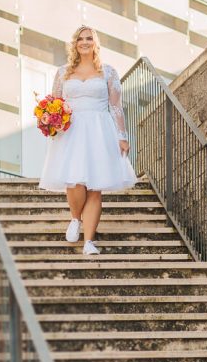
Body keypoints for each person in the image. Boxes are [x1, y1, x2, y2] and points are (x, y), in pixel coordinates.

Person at [39, 25, 137, 255]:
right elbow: (55, 102)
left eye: (89, 39)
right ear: (74, 44)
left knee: (95, 187)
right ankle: (75, 219)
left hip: (100, 130)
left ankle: (89, 242)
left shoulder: (108, 71)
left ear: (95, 43)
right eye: (80, 39)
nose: (84, 42)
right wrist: (48, 118)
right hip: (71, 131)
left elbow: (115, 106)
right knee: (74, 181)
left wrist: (122, 136)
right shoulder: (63, 72)